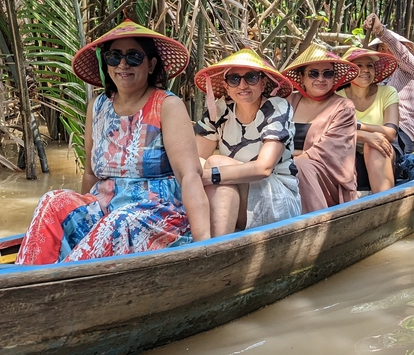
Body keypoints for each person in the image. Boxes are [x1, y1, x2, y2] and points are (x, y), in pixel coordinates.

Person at [16, 20, 210, 265]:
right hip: (105, 208)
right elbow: (90, 172)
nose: (122, 64)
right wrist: (83, 223)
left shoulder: (167, 105)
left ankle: (61, 281)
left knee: (119, 221)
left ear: (151, 65)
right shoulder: (97, 107)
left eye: (134, 57)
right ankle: (28, 274)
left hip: (155, 214)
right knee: (52, 201)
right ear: (106, 64)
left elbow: (189, 176)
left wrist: (204, 243)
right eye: (114, 56)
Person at [193, 49, 300, 236]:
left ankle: (213, 248)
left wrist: (211, 175)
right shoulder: (220, 110)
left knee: (216, 164)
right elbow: (195, 160)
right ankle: (215, 248)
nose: (242, 85)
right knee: (211, 173)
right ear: (226, 86)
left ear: (263, 82)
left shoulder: (276, 108)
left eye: (251, 78)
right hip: (234, 191)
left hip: (279, 199)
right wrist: (208, 174)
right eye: (234, 79)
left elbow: (263, 168)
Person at [283, 45, 360, 213]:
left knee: (302, 166)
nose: (321, 78)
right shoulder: (287, 101)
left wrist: (282, 162)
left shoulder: (344, 107)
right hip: (283, 168)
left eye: (328, 73)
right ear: (301, 78)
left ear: (334, 78)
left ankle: (314, 224)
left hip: (325, 177)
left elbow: (326, 151)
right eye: (313, 73)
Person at [363, 14, 414, 152]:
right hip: (385, 127)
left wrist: (379, 30)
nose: (386, 53)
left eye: (389, 48)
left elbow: (401, 54)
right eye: (381, 49)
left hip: (411, 131)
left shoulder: (410, 68)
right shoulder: (373, 76)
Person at [339, 47, 400, 193]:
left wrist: (357, 126)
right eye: (359, 66)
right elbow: (336, 133)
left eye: (369, 66)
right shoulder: (338, 97)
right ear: (349, 71)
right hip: (349, 149)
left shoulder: (388, 92)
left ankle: (384, 202)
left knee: (374, 144)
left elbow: (391, 133)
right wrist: (365, 135)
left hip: (382, 149)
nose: (365, 70)